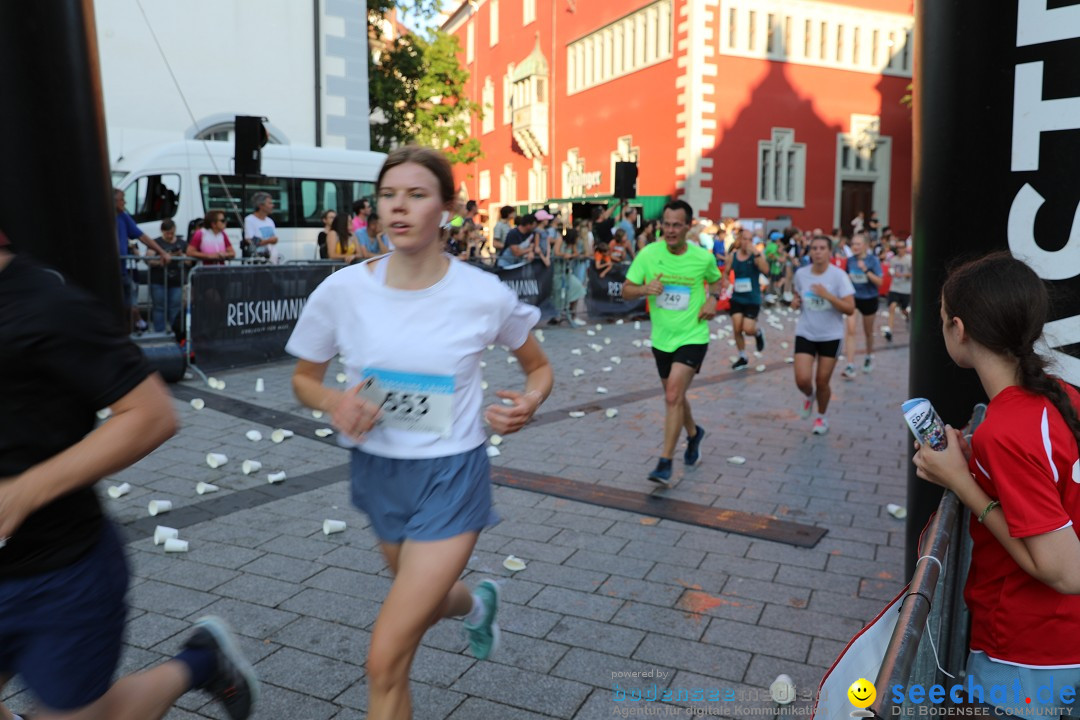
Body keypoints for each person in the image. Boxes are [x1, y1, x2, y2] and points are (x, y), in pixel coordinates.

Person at [285, 145, 553, 720]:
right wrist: (334, 399)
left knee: (384, 662)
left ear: (447, 209)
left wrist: (527, 403)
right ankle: (477, 605)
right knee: (425, 601)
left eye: (417, 195)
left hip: (452, 475)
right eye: (388, 195)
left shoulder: (482, 293)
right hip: (378, 472)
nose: (399, 208)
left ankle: (460, 608)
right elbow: (304, 380)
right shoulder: (343, 291)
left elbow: (539, 367)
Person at [0, 231, 258, 720]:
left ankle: (200, 663)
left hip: (58, 575)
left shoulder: (46, 305)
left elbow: (152, 413)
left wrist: (23, 493)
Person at [912, 252, 1080, 717]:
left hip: (1028, 656)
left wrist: (963, 484)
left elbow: (1067, 571)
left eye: (943, 319)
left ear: (959, 330)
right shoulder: (1062, 396)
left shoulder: (1005, 429)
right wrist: (975, 466)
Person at [623, 199, 722, 485]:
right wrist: (644, 288)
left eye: (676, 225)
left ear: (688, 227)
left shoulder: (702, 258)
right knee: (675, 396)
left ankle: (665, 462)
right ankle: (694, 434)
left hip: (693, 335)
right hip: (661, 339)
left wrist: (713, 300)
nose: (670, 230)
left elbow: (716, 281)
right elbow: (627, 291)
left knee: (671, 395)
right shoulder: (648, 254)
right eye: (666, 224)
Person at [790, 235, 855, 435]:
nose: (817, 251)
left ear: (829, 252)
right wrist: (795, 302)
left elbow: (850, 308)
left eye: (822, 248)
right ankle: (809, 396)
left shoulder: (838, 276)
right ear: (810, 252)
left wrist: (826, 295)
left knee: (822, 381)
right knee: (802, 380)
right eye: (814, 248)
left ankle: (821, 417)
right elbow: (798, 295)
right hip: (806, 332)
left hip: (831, 336)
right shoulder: (801, 274)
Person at [114, 189, 170, 333]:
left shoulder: (123, 217)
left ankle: (129, 332)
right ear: (113, 201)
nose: (124, 202)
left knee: (130, 305)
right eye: (122, 199)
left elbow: (142, 236)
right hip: (111, 272)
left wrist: (161, 251)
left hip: (123, 271)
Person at [724, 228, 769, 370]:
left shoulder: (756, 256)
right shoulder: (733, 256)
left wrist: (756, 253)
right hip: (737, 297)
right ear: (739, 240)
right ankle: (743, 356)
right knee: (737, 328)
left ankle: (757, 333)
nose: (747, 242)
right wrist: (725, 281)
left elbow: (766, 270)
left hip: (752, 298)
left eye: (750, 239)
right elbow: (726, 272)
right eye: (744, 239)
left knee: (747, 328)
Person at [840, 234, 884, 378]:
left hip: (869, 299)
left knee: (868, 332)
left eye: (858, 244)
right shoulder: (850, 261)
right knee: (851, 330)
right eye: (853, 244)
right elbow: (846, 277)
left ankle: (869, 356)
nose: (855, 246)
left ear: (865, 245)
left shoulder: (873, 260)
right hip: (853, 299)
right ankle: (850, 365)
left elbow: (880, 282)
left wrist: (866, 270)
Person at [147, 219, 186, 334]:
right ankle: (159, 332)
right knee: (159, 308)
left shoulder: (182, 243)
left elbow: (189, 261)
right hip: (158, 280)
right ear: (162, 231)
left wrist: (180, 256)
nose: (170, 236)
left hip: (176, 281)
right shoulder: (155, 242)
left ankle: (175, 332)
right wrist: (162, 260)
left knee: (175, 307)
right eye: (167, 233)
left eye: (172, 233)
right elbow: (148, 260)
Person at [883, 240, 911, 343]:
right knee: (892, 307)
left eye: (901, 247)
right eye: (898, 247)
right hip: (894, 287)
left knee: (903, 309)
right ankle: (890, 330)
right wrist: (891, 273)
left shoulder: (909, 259)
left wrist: (902, 275)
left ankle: (907, 315)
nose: (899, 249)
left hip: (905, 288)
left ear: (905, 248)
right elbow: (891, 271)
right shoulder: (893, 260)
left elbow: (913, 273)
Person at [243, 192, 280, 262]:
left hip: (272, 260)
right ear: (261, 205)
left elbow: (274, 238)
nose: (272, 206)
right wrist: (269, 240)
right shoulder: (249, 220)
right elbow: (250, 240)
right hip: (258, 261)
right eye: (269, 203)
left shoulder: (270, 221)